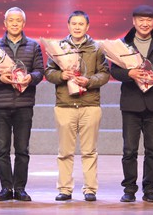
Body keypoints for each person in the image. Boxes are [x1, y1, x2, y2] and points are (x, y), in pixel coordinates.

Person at [110, 5, 153, 203]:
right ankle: (129, 189)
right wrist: (129, 74)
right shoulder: (123, 44)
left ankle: (149, 189)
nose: (145, 23)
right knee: (129, 150)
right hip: (131, 103)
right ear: (134, 21)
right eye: (141, 20)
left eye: (148, 20)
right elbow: (114, 70)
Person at [44, 10, 110, 202]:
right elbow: (48, 72)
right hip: (65, 105)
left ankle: (90, 189)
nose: (77, 27)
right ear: (68, 26)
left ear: (87, 27)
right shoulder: (58, 48)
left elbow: (105, 74)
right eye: (74, 23)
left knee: (89, 151)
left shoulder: (97, 48)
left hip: (90, 105)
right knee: (65, 151)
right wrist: (61, 76)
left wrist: (88, 81)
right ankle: (65, 189)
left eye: (81, 24)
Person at [0, 7, 44, 202]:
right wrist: (0, 79)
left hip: (24, 104)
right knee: (2, 149)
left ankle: (20, 188)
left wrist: (30, 78)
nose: (15, 23)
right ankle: (6, 188)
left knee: (22, 149)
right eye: (11, 20)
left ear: (24, 23)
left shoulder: (33, 46)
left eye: (18, 20)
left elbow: (40, 71)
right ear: (5, 23)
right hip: (1, 104)